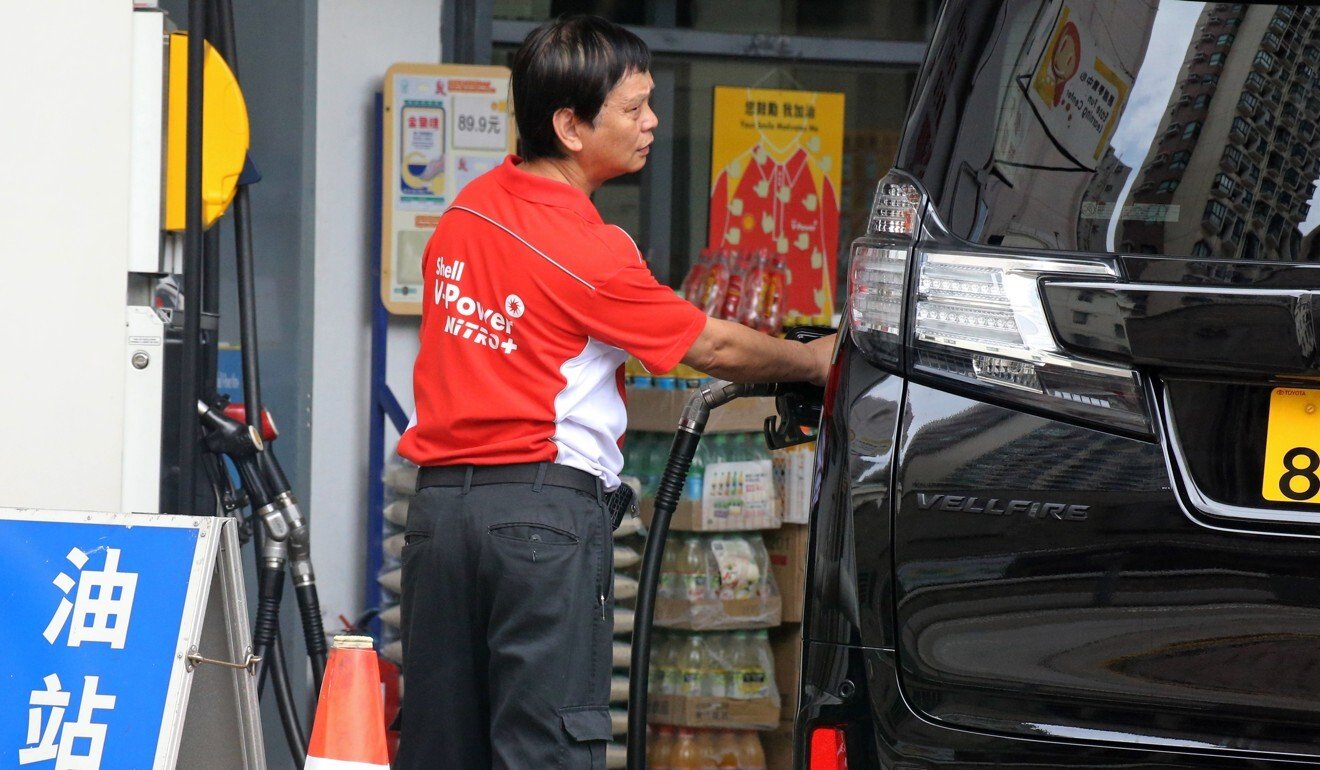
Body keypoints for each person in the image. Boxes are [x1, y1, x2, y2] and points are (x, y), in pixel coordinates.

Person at [394, 15, 834, 770]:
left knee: (441, 748)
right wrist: (821, 362)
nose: (652, 122)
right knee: (546, 750)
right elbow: (713, 346)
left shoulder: (463, 214)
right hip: (538, 522)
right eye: (633, 109)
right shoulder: (587, 247)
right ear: (570, 125)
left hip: (439, 520)